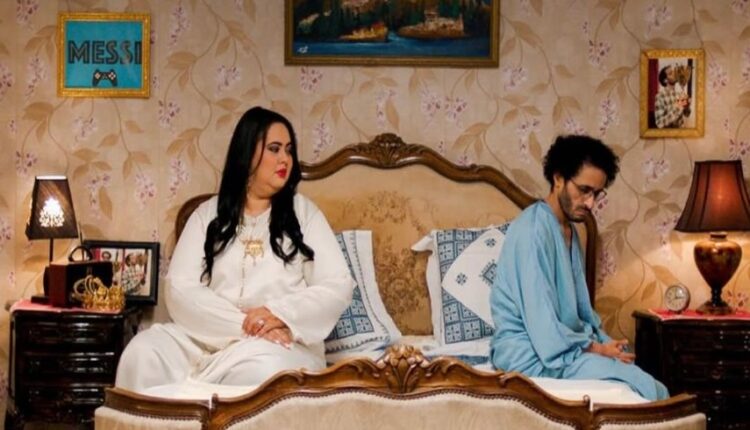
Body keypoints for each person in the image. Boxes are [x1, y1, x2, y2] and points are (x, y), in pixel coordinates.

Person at [115, 106, 354, 391]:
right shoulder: (207, 215)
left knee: (263, 371)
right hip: (205, 340)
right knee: (142, 353)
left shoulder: (304, 214)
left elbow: (337, 285)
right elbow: (180, 288)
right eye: (274, 149)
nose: (285, 159)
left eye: (289, 150)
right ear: (247, 152)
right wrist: (244, 325)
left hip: (277, 344)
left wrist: (279, 314)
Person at [489, 135, 668, 401]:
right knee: (646, 386)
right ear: (558, 178)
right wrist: (596, 349)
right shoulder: (532, 231)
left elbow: (580, 313)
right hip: (531, 354)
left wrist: (603, 343)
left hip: (565, 347)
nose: (590, 203)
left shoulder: (569, 231)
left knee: (642, 377)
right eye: (584, 190)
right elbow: (543, 324)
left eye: (597, 194)